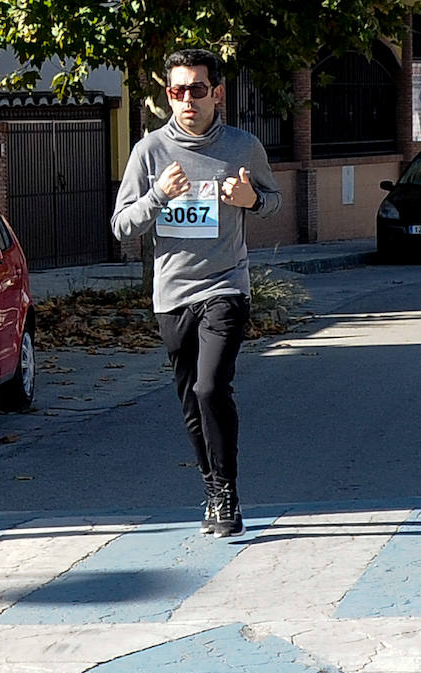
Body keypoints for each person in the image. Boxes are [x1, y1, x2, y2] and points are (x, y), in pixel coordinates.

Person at [110, 48, 281, 538]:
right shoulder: (149, 152)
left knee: (211, 388)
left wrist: (251, 200)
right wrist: (158, 195)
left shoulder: (243, 147)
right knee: (191, 402)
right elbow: (122, 226)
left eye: (197, 90)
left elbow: (272, 200)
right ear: (168, 95)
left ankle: (227, 493)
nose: (187, 99)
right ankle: (210, 488)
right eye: (178, 90)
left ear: (217, 94)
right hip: (172, 294)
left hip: (225, 284)